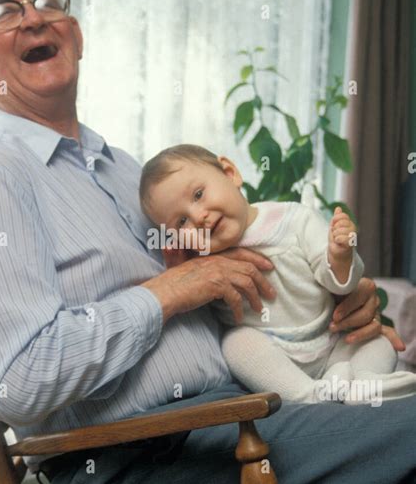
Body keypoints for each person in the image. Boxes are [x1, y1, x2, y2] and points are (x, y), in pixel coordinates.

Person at [0, 0, 415, 484]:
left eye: (48, 1)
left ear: (74, 33)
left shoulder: (121, 170)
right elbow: (19, 381)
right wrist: (173, 291)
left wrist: (344, 301)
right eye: (3, 11)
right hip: (134, 466)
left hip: (242, 407)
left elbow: (225, 288)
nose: (33, 18)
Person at [139, 144, 416, 405]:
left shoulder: (294, 219)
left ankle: (362, 384)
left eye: (199, 195)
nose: (198, 217)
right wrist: (178, 271)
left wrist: (341, 255)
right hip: (277, 361)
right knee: (236, 344)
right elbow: (194, 313)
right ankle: (312, 396)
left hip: (333, 345)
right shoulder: (203, 267)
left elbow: (339, 283)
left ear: (229, 173)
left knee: (379, 341)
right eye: (182, 221)